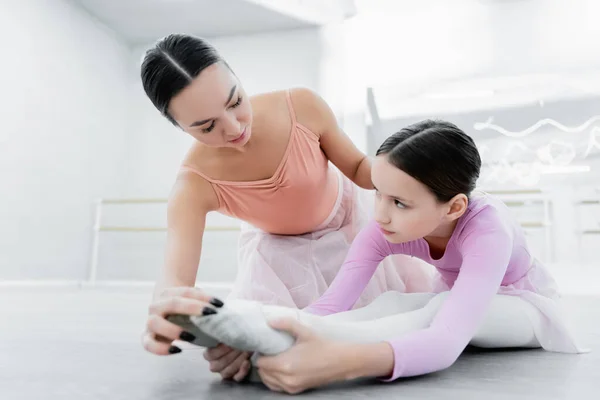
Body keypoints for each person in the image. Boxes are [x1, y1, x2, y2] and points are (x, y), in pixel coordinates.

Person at [173, 119, 586, 394]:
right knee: (390, 302)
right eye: (378, 193)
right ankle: (269, 332)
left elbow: (445, 342)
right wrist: (285, 327)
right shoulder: (384, 226)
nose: (381, 214)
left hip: (528, 310)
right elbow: (333, 304)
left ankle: (285, 341)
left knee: (439, 308)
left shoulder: (487, 229)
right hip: (466, 299)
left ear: (454, 207)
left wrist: (338, 364)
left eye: (400, 203)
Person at [138, 33, 433, 380]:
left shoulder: (301, 106)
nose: (234, 128)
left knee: (398, 320)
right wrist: (163, 312)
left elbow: (358, 170)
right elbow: (175, 278)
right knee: (269, 346)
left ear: (237, 78)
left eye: (235, 102)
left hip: (353, 224)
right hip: (283, 257)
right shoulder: (193, 185)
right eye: (207, 127)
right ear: (179, 127)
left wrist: (410, 168)